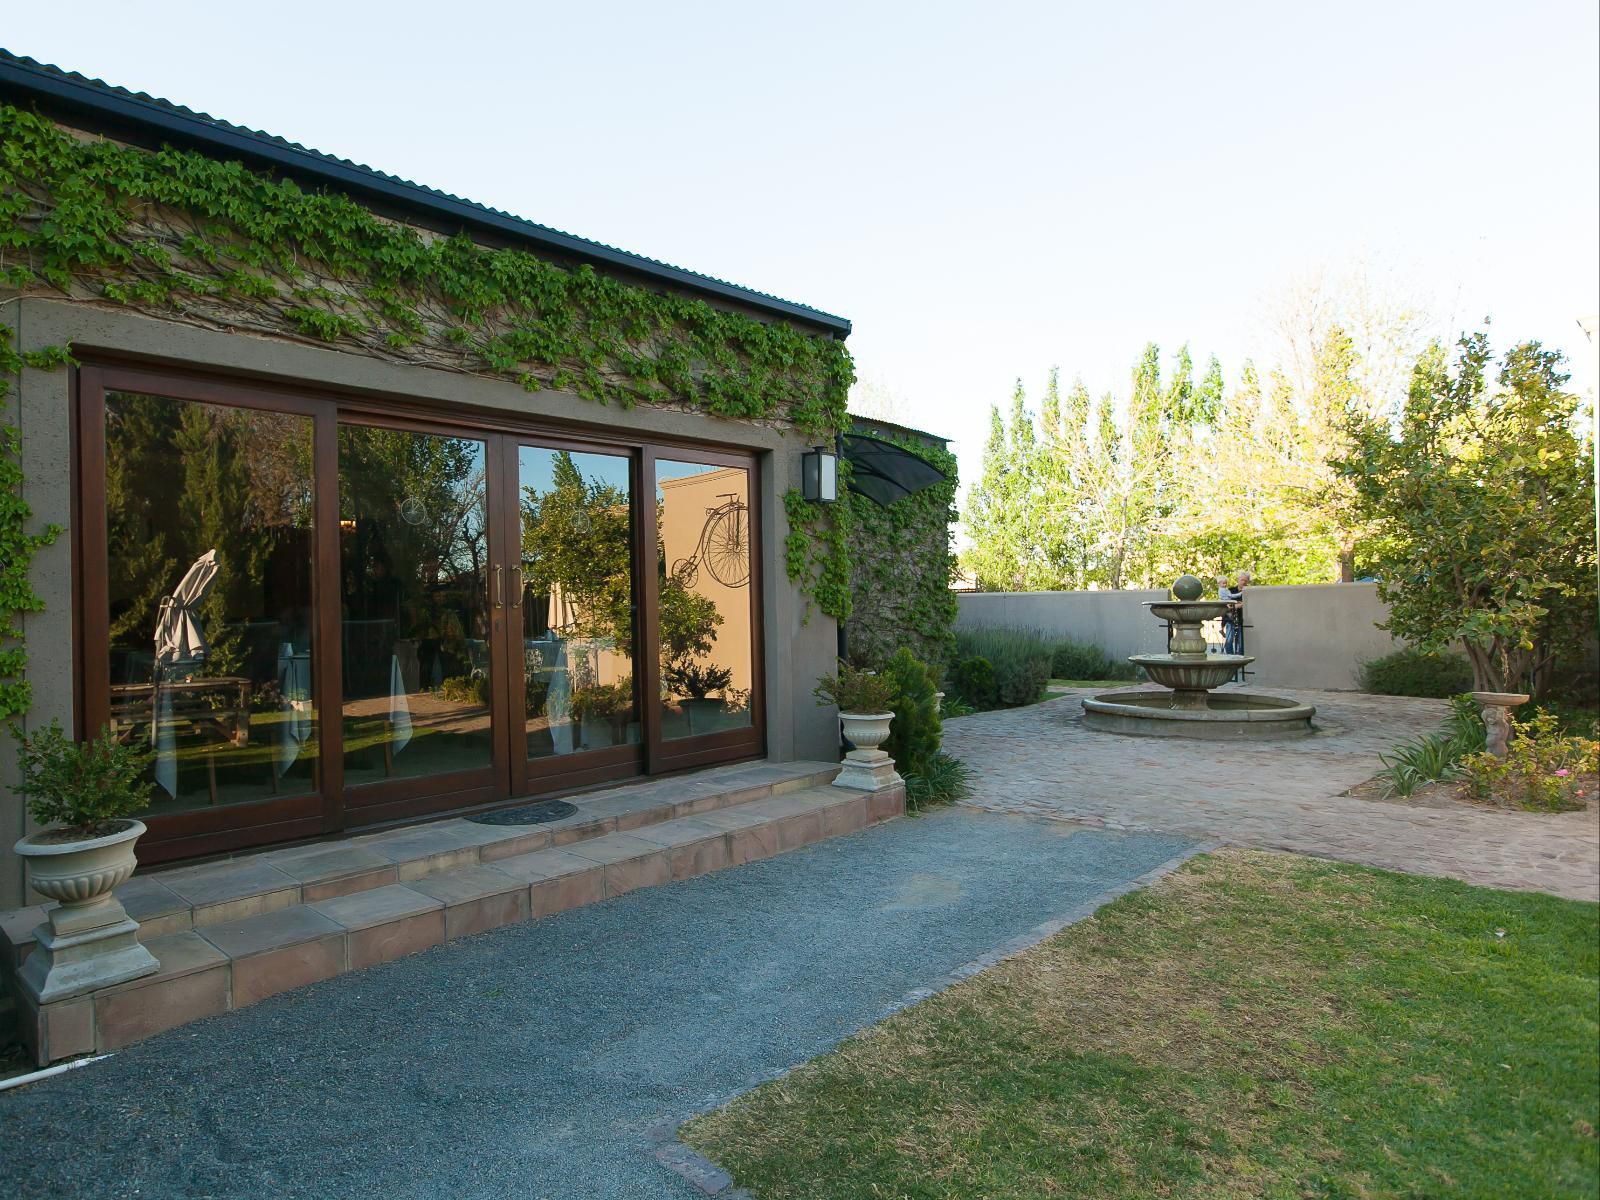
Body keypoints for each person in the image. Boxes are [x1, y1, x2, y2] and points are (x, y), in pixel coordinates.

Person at [1220, 571, 1250, 659]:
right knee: (1228, 643)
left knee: (1241, 645)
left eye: (1245, 580)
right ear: (1238, 580)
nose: (1243, 582)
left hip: (1243, 621)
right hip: (1231, 620)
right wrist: (1222, 626)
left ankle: (1239, 663)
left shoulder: (1250, 591)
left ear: (1248, 581)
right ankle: (1231, 660)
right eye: (1242, 580)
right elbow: (1226, 606)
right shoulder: (1231, 590)